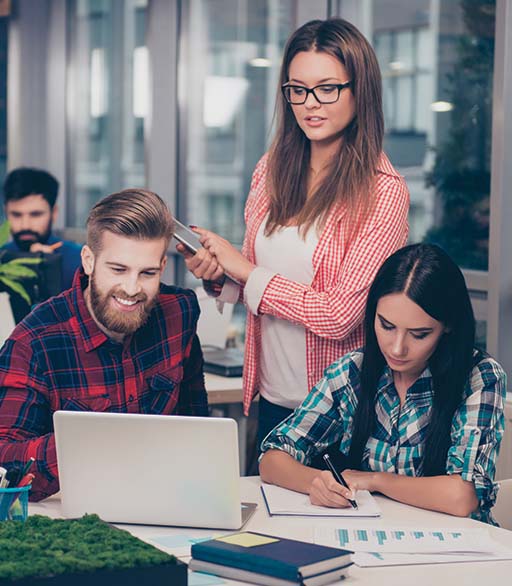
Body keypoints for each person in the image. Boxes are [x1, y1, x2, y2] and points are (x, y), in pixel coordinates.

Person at [180, 18, 409, 446]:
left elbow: (340, 315)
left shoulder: (383, 192)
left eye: (328, 88)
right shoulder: (271, 168)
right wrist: (218, 274)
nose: (310, 104)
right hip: (271, 393)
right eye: (297, 89)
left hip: (338, 407)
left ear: (360, 90)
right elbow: (260, 277)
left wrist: (244, 271)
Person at [259, 244, 506, 524]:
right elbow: (272, 459)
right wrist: (316, 482)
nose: (397, 348)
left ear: (447, 326)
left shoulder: (479, 377)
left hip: (460, 551)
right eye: (386, 326)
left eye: (419, 334)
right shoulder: (353, 371)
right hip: (374, 540)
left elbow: (462, 496)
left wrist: (375, 480)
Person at [0, 189, 208, 501]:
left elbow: (197, 425)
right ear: (88, 261)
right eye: (118, 269)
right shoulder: (33, 342)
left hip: (167, 500)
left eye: (148, 273)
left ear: (163, 266)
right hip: (76, 516)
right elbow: (5, 464)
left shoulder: (180, 311)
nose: (132, 288)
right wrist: (92, 441)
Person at [2, 167, 82, 289]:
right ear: (6, 212)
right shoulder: (2, 257)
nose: (25, 225)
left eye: (36, 214)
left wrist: (50, 268)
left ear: (54, 213)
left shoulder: (80, 260)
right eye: (16, 215)